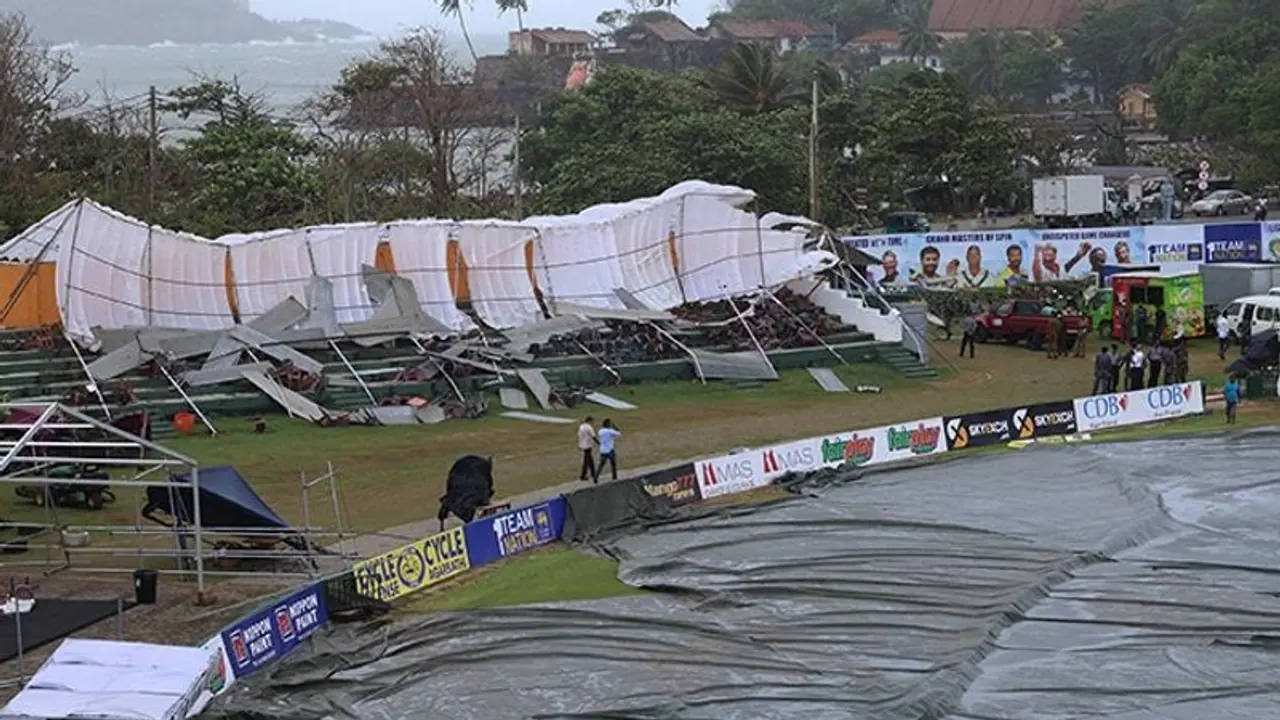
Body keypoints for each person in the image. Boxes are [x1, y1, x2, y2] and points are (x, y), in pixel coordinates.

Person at [577, 416, 598, 483]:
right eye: (592, 421)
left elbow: (580, 436)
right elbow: (593, 436)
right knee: (587, 461)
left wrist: (579, 445)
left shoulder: (581, 426)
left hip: (583, 445)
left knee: (590, 460)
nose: (593, 423)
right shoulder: (589, 427)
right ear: (589, 421)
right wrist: (599, 443)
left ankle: (593, 473)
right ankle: (583, 475)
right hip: (588, 445)